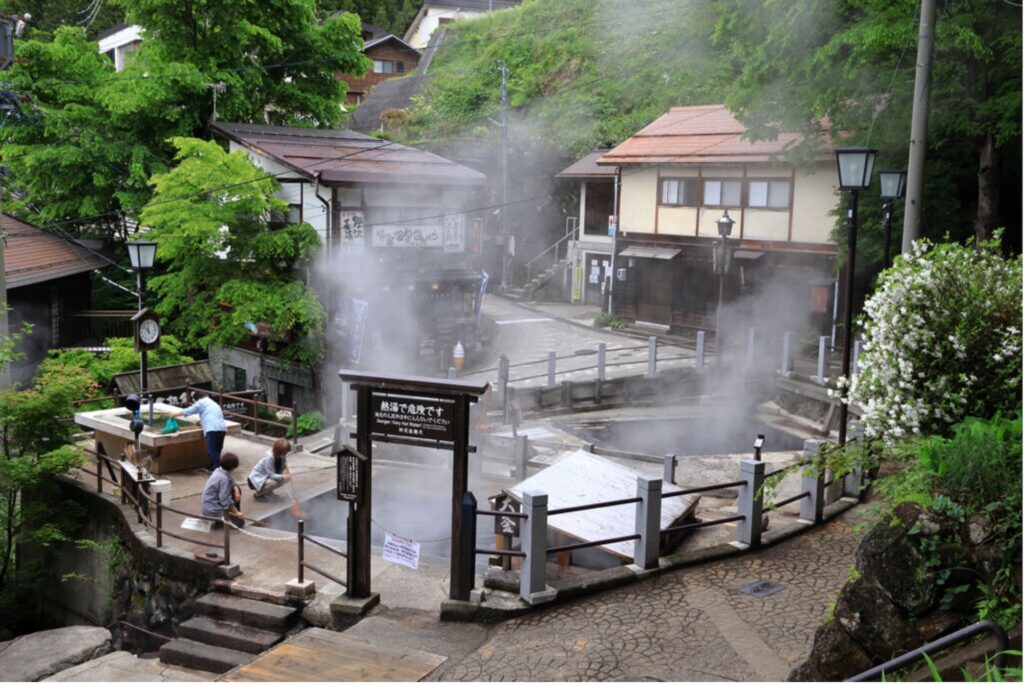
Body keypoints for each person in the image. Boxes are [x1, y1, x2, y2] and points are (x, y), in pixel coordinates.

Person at [170, 395, 226, 472]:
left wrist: (174, 415)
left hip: (212, 429)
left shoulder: (201, 402)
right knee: (217, 450)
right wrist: (201, 422)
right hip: (222, 428)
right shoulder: (213, 403)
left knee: (211, 451)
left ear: (197, 399)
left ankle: (217, 470)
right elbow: (212, 415)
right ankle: (212, 467)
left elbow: (188, 410)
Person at [201, 452, 244, 528]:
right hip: (213, 510)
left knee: (237, 488)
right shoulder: (223, 479)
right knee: (240, 523)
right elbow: (225, 500)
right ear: (232, 467)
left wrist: (236, 490)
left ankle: (232, 515)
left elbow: (231, 480)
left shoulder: (218, 470)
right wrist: (236, 512)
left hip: (209, 506)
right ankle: (218, 522)